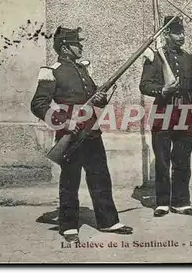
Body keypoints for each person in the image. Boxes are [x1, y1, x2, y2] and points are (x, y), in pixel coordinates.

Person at [31, 26, 133, 243]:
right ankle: (68, 226)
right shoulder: (52, 71)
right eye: (77, 43)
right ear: (66, 48)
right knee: (70, 179)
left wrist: (101, 98)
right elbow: (38, 104)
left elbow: (96, 98)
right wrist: (64, 123)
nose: (81, 46)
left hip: (92, 132)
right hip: (71, 133)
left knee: (100, 177)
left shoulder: (83, 70)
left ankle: (108, 221)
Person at [139, 16, 192, 217]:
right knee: (162, 160)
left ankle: (181, 202)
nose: (181, 36)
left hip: (184, 114)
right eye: (176, 32)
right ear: (166, 34)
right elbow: (145, 85)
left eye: (182, 32)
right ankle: (163, 202)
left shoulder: (189, 58)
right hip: (163, 113)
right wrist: (163, 90)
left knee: (182, 160)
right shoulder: (156, 57)